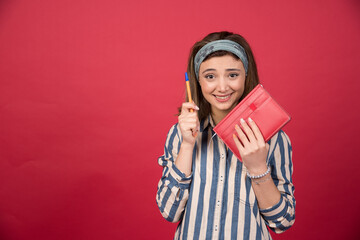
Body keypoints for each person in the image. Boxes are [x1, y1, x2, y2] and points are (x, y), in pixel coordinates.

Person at [156, 31, 295, 239]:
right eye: (210, 76)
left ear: (246, 75)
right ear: (198, 80)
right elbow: (169, 211)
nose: (222, 87)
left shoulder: (273, 138)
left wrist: (258, 168)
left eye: (232, 75)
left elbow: (282, 222)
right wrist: (186, 145)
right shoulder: (180, 134)